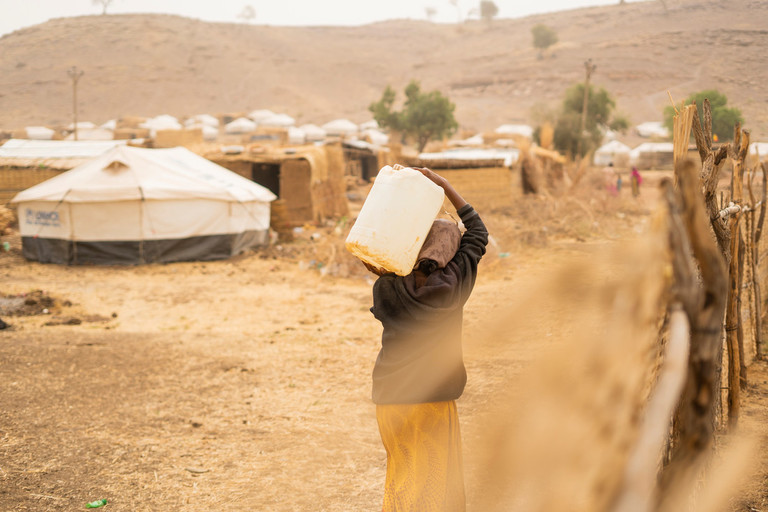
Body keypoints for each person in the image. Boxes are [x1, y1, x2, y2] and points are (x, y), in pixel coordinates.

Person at [365, 167, 489, 512]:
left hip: (390, 398)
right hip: (432, 399)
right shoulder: (455, 282)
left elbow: (375, 250)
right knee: (436, 486)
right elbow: (478, 233)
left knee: (403, 478)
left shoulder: (388, 283)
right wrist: (445, 185)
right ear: (449, 252)